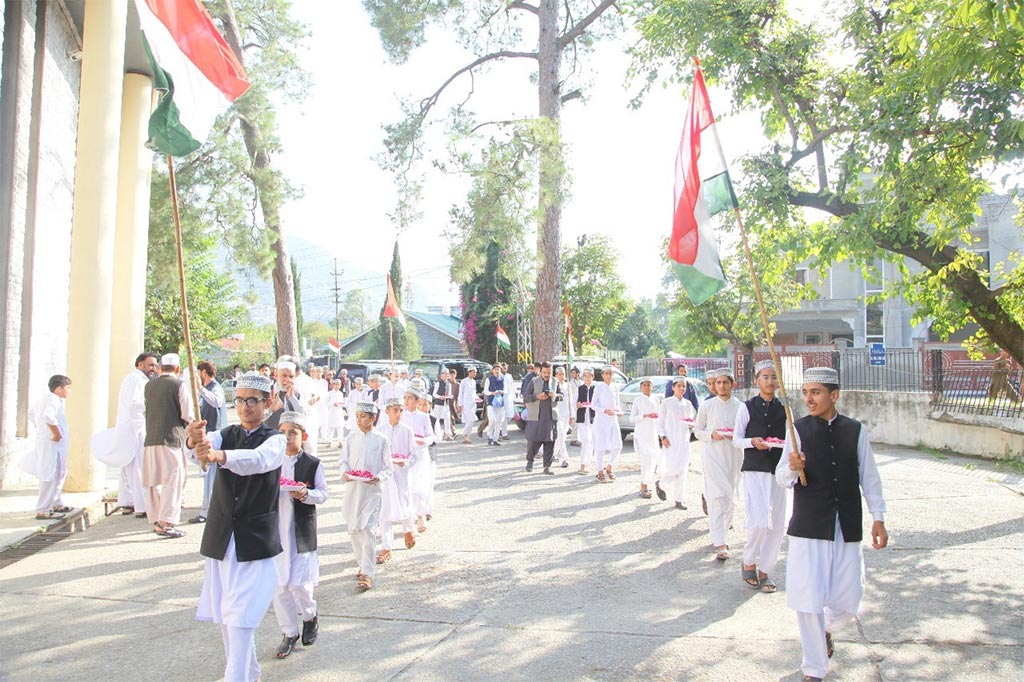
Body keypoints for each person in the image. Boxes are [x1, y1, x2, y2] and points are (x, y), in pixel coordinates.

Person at [777, 367, 888, 682]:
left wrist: (878, 516)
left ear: (834, 395)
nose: (809, 399)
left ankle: (826, 629)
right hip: (809, 525)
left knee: (849, 599)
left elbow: (869, 477)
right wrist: (792, 467)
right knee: (807, 599)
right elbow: (781, 477)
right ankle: (814, 668)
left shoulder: (855, 430)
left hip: (845, 524)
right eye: (806, 393)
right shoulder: (796, 430)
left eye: (816, 392)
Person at [186, 372, 284, 682]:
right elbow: (199, 450)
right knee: (228, 617)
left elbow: (256, 461)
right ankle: (248, 672)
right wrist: (194, 439)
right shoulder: (223, 433)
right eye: (239, 400)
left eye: (251, 401)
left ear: (267, 403)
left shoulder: (275, 439)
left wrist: (219, 455)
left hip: (253, 540)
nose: (244, 407)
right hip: (221, 538)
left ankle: (236, 677)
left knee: (241, 617)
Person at [272, 411, 328, 660]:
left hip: (301, 532)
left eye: (292, 433)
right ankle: (289, 633)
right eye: (282, 433)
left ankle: (310, 615)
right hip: (275, 532)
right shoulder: (271, 461)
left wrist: (305, 494)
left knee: (300, 584)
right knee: (280, 586)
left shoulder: (312, 463)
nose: (287, 437)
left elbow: (323, 494)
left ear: (303, 436)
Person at [733, 360, 789, 592]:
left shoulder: (785, 409)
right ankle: (748, 560)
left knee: (776, 524)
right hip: (755, 469)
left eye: (774, 377)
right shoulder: (747, 407)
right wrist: (753, 442)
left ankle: (766, 570)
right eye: (765, 377)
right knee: (758, 521)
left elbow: (791, 441)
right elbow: (736, 439)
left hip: (778, 471)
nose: (769, 381)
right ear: (757, 380)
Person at [341, 402, 394, 591]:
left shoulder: (381, 440)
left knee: (368, 529)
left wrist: (378, 477)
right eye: (357, 416)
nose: (359, 420)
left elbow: (389, 467)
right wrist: (345, 473)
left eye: (363, 416)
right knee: (354, 529)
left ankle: (367, 573)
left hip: (372, 491)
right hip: (353, 490)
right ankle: (362, 564)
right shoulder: (351, 438)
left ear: (373, 418)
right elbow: (343, 461)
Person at [695, 367, 743, 560]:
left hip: (734, 456)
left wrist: (735, 435)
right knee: (717, 497)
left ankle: (723, 531)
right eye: (718, 383)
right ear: (714, 385)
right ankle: (720, 542)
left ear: (732, 384)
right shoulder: (707, 406)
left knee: (731, 497)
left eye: (725, 382)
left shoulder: (740, 407)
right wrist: (711, 435)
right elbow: (698, 430)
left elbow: (745, 431)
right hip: (712, 456)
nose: (722, 386)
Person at [143, 354, 191, 539]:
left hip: (151, 439)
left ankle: (156, 519)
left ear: (161, 367)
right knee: (173, 481)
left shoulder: (149, 385)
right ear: (177, 369)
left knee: (153, 482)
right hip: (172, 440)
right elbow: (188, 414)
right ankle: (167, 523)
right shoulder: (179, 385)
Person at [22, 375, 73, 519]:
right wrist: (56, 434)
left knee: (59, 472)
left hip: (49, 442)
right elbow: (48, 417)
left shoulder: (46, 398)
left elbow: (31, 413)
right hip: (52, 443)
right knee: (50, 473)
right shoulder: (53, 399)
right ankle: (43, 508)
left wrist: (41, 429)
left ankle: (55, 502)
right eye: (68, 388)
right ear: (58, 389)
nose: (69, 391)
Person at [115, 353, 158, 517]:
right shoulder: (137, 380)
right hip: (136, 428)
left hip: (131, 427)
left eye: (155, 365)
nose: (153, 368)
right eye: (150, 365)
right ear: (140, 365)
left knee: (129, 466)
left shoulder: (134, 379)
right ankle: (141, 506)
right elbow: (136, 404)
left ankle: (128, 502)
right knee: (138, 467)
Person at [376, 398, 418, 564]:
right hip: (385, 475)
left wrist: (405, 462)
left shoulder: (407, 431)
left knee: (404, 501)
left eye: (401, 410)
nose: (398, 414)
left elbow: (414, 455)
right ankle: (387, 546)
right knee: (384, 508)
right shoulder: (379, 431)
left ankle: (408, 529)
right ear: (387, 412)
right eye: (395, 410)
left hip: (401, 473)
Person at [190, 361, 227, 525]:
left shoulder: (215, 387)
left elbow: (216, 402)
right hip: (206, 434)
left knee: (210, 476)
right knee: (207, 476)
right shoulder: (203, 391)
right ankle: (208, 508)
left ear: (203, 373)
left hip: (215, 434)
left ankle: (207, 511)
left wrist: (202, 390)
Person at [657, 377, 695, 508]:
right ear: (673, 387)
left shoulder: (688, 404)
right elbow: (660, 422)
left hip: (684, 440)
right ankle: (661, 484)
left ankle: (679, 499)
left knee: (683, 470)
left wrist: (691, 425)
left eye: (683, 386)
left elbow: (691, 421)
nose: (681, 388)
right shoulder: (666, 403)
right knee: (673, 469)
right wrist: (663, 437)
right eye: (679, 386)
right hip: (671, 440)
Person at [523, 362, 560, 474]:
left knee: (550, 441)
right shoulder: (534, 381)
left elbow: (561, 395)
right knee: (533, 441)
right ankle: (530, 462)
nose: (546, 375)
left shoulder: (555, 381)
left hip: (550, 417)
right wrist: (537, 396)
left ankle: (547, 466)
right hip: (536, 417)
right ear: (540, 371)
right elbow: (526, 396)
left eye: (549, 373)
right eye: (544, 372)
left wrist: (555, 396)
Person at [629, 377, 661, 498]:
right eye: (645, 385)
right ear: (641, 387)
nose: (647, 387)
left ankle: (647, 483)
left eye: (649, 385)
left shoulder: (656, 400)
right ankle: (643, 487)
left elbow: (659, 417)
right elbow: (632, 418)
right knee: (646, 460)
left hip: (653, 434)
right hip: (642, 434)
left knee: (654, 459)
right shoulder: (638, 400)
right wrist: (645, 415)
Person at [591, 366, 623, 483]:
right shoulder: (599, 387)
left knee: (618, 445)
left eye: (611, 373)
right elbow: (593, 405)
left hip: (613, 419)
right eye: (607, 373)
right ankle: (599, 471)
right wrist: (605, 410)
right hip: (601, 420)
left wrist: (618, 411)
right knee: (600, 447)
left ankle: (609, 467)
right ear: (603, 375)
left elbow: (617, 403)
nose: (609, 376)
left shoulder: (615, 387)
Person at [265, 359, 304, 430]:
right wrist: (270, 410)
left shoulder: (296, 394)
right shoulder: (267, 392)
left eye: (291, 376)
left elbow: (303, 417)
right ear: (276, 375)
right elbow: (257, 419)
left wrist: (293, 399)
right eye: (284, 376)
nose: (287, 379)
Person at [575, 369, 596, 474]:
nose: (587, 378)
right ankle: (583, 464)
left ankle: (587, 462)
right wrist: (578, 404)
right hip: (582, 417)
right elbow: (575, 402)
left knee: (591, 441)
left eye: (589, 376)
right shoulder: (579, 389)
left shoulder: (595, 389)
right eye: (585, 376)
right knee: (585, 440)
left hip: (592, 417)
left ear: (593, 377)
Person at [552, 366, 573, 468]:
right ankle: (565, 458)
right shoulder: (553, 385)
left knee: (562, 437)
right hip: (556, 414)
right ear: (555, 375)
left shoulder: (568, 386)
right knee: (560, 435)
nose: (561, 376)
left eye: (563, 374)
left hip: (566, 414)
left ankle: (552, 454)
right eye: (559, 374)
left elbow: (571, 402)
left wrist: (572, 415)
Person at [484, 365, 506, 446]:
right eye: (496, 369)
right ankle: (490, 436)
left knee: (498, 421)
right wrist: (492, 393)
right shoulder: (489, 379)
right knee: (492, 419)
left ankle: (495, 438)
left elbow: (506, 390)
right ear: (493, 370)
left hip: (500, 403)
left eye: (498, 369)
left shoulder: (503, 379)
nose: (497, 371)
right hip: (491, 402)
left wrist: (502, 392)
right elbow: (485, 391)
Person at [457, 367, 479, 444]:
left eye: (475, 372)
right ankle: (465, 434)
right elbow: (460, 393)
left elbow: (474, 393)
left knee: (470, 421)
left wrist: (478, 398)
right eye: (473, 372)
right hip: (465, 403)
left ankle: (466, 436)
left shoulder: (474, 382)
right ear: (469, 372)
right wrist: (459, 404)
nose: (475, 374)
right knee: (471, 420)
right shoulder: (464, 381)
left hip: (473, 403)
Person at [431, 369, 454, 440]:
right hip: (438, 404)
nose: (446, 375)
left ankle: (447, 434)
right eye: (444, 374)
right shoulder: (438, 383)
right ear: (441, 375)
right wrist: (439, 397)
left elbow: (449, 394)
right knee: (436, 419)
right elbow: (434, 394)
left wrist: (450, 396)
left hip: (445, 404)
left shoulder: (449, 384)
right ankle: (434, 433)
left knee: (447, 419)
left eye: (447, 374)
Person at [568, 366, 582, 446]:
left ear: (578, 374)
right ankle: (573, 439)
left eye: (573, 373)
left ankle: (576, 438)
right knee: (575, 422)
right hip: (573, 405)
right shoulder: (570, 383)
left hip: (579, 404)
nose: (572, 375)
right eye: (571, 373)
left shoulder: (581, 382)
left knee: (579, 422)